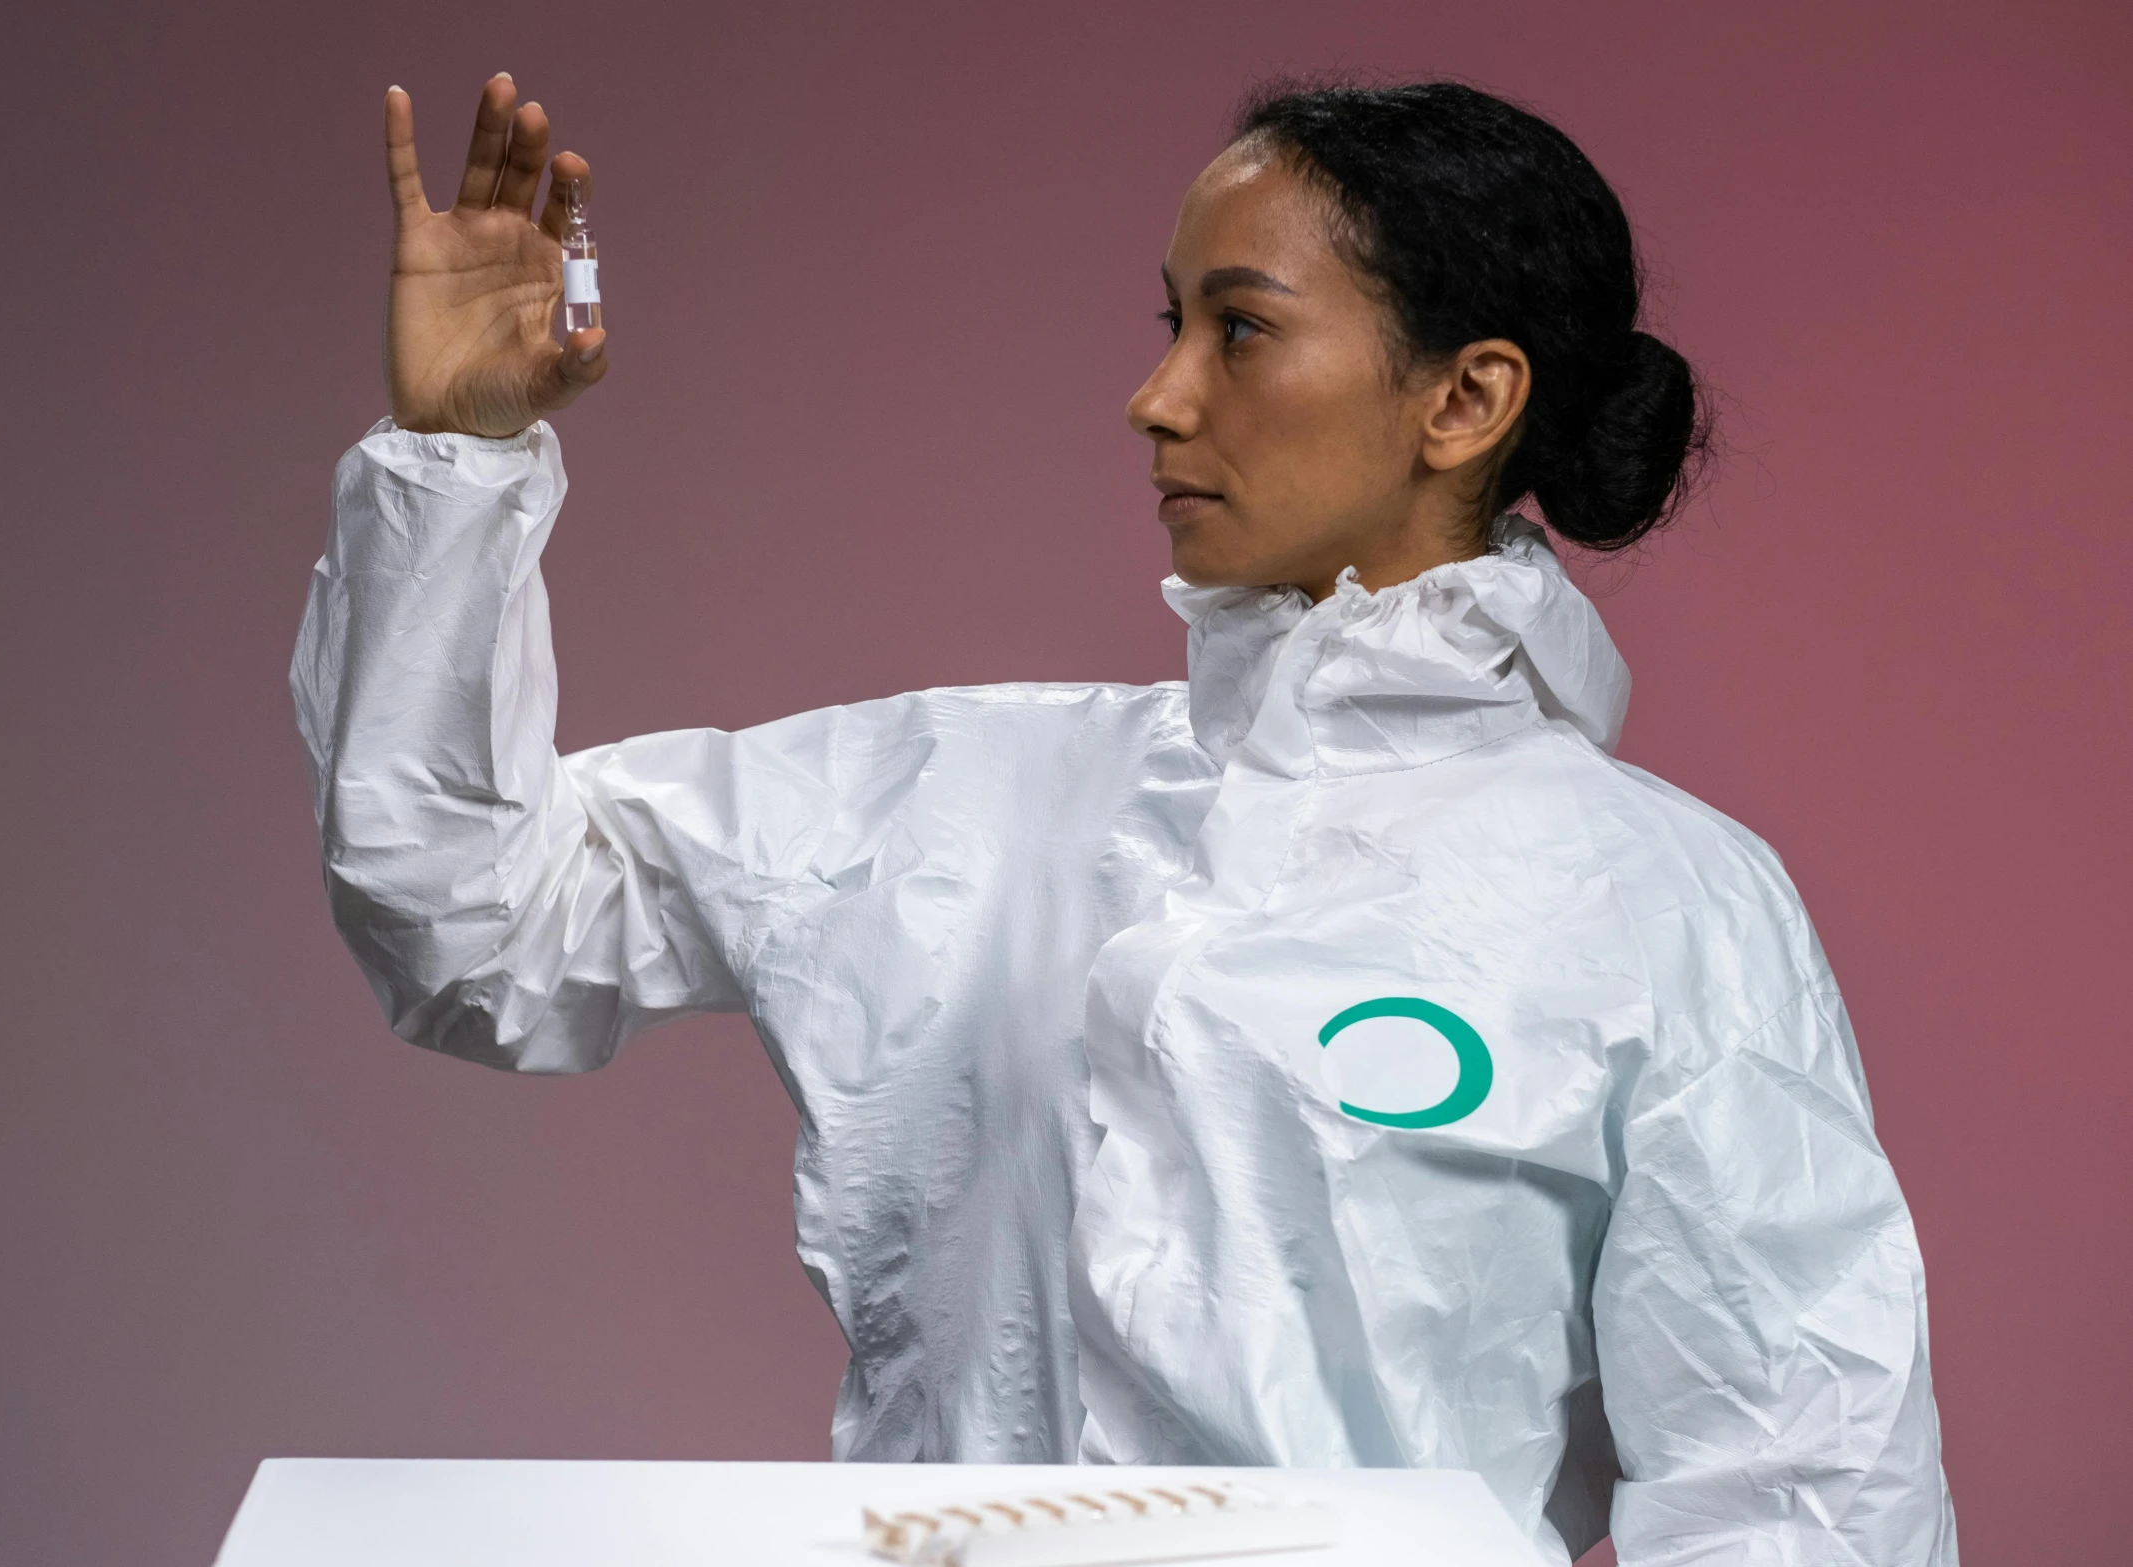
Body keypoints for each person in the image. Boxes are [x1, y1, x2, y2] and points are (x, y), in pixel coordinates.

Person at [292, 72, 1955, 1566]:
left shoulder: (1663, 901)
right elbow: (470, 921)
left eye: (1238, 327)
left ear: (1464, 400)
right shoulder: (961, 796)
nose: (1155, 398)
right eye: (1166, 322)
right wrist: (459, 460)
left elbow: (1801, 1492)